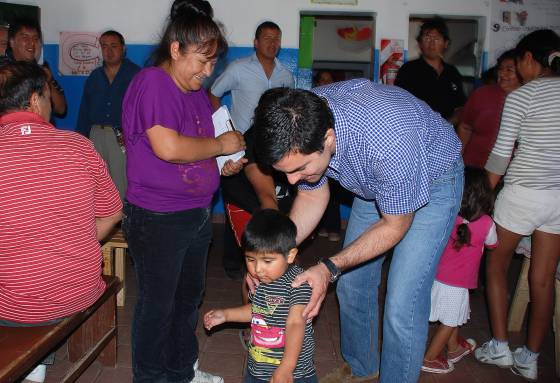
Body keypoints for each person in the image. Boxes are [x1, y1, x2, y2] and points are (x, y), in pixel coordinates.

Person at [252, 80, 463, 383]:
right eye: (286, 172)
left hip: (435, 178)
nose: (294, 181)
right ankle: (363, 369)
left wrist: (328, 268)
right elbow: (312, 196)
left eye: (301, 169)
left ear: (328, 138)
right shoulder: (306, 115)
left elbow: (395, 225)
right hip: (372, 180)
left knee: (402, 304)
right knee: (352, 284)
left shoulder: (389, 140)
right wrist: (272, 257)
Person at [120, 1, 246, 382]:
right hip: (159, 217)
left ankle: (179, 372)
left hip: (194, 214)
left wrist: (221, 163)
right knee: (158, 305)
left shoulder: (192, 93)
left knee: (188, 300)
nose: (207, 73)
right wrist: (221, 146)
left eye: (213, 64)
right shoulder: (153, 83)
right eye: (201, 61)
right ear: (175, 48)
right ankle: (151, 376)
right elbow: (170, 148)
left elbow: (197, 149)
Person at [0, 62, 122, 383]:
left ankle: (34, 365)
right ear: (35, 99)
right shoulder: (78, 146)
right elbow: (112, 212)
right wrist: (72, 241)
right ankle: (37, 364)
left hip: (10, 308)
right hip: (77, 291)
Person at [475, 29, 560, 381]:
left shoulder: (523, 96)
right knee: (542, 281)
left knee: (495, 265)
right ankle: (530, 356)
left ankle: (499, 345)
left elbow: (498, 158)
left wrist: (478, 200)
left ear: (528, 59)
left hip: (523, 193)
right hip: (558, 198)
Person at [204, 209, 316, 383]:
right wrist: (226, 315)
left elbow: (296, 322)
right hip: (257, 368)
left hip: (291, 374)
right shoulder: (264, 278)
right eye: (250, 259)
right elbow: (258, 310)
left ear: (290, 255)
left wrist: (286, 367)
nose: (257, 269)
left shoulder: (298, 283)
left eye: (267, 261)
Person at [421, 167, 497, 374]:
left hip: (436, 277)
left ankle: (454, 349)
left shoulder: (449, 214)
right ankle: (430, 358)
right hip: (459, 283)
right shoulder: (487, 223)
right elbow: (493, 244)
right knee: (451, 320)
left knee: (449, 315)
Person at [221, 125, 295, 280]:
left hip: (279, 199)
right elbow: (266, 195)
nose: (259, 269)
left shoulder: (298, 137)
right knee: (257, 265)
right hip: (247, 199)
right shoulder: (255, 139)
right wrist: (273, 237)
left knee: (279, 261)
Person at [77, 30, 141, 199]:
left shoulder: (136, 75)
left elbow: (143, 110)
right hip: (96, 135)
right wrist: (81, 141)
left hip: (122, 135)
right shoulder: (94, 77)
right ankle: (102, 223)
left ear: (123, 49)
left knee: (122, 182)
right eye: (104, 46)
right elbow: (84, 111)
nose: (109, 51)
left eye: (114, 46)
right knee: (96, 182)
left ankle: (123, 223)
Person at [209, 20, 294, 134]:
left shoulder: (286, 76)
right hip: (242, 141)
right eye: (267, 38)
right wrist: (225, 128)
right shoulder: (238, 68)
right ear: (256, 43)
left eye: (277, 39)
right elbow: (213, 93)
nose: (273, 43)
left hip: (273, 143)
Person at [456, 49, 521, 168]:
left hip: (512, 170)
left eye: (509, 70)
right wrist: (457, 160)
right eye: (500, 69)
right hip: (475, 167)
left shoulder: (529, 98)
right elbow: (465, 127)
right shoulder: (482, 94)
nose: (502, 74)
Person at [395, 17, 466, 124]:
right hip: (418, 131)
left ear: (446, 43)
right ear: (419, 43)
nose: (432, 44)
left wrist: (446, 125)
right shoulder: (408, 70)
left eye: (437, 38)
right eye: (427, 38)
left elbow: (460, 106)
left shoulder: (452, 72)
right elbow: (399, 104)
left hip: (446, 131)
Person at [5, 18, 66, 117]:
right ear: (12, 42)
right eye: (25, 37)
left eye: (35, 38)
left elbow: (61, 110)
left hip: (40, 129)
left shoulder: (41, 70)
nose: (32, 43)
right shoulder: (4, 70)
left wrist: (48, 81)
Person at [313, 70, 342, 242]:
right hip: (316, 154)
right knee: (315, 188)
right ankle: (320, 226)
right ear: (317, 83)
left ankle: (334, 227)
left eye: (328, 80)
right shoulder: (311, 101)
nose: (325, 83)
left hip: (335, 155)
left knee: (334, 194)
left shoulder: (339, 102)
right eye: (322, 80)